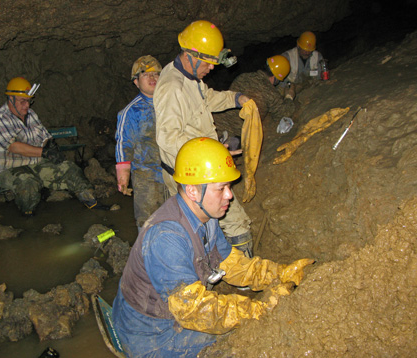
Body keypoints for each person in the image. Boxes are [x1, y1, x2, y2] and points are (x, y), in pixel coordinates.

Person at [112, 137, 314, 358]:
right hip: (151, 334)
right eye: (221, 188)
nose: (229, 195)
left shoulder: (206, 216)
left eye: (228, 186)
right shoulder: (166, 238)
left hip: (174, 314)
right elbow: (195, 311)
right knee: (247, 342)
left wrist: (281, 273)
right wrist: (261, 310)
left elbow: (232, 264)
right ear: (192, 192)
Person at [154, 20, 255, 256]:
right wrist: (211, 154)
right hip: (192, 174)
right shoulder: (172, 87)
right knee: (233, 220)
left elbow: (206, 98)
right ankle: (246, 274)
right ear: (191, 55)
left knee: (203, 225)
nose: (211, 69)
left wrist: (235, 98)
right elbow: (168, 138)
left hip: (201, 167)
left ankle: (217, 265)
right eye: (208, 63)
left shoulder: (189, 76)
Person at [0, 76, 103, 216]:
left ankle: (92, 203)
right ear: (10, 99)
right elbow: (14, 147)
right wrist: (44, 152)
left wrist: (49, 146)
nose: (27, 105)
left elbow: (44, 136)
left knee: (69, 168)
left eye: (29, 101)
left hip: (35, 162)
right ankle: (28, 215)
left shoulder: (30, 115)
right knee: (28, 183)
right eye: (22, 101)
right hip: (10, 167)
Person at [115, 55, 166, 230]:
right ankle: (146, 255)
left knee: (175, 218)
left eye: (156, 74)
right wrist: (123, 174)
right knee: (148, 222)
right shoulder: (130, 111)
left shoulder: (171, 103)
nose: (152, 78)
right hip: (146, 175)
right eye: (145, 74)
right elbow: (124, 142)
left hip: (173, 171)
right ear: (136, 82)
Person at [214, 54, 293, 140]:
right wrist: (289, 96)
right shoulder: (271, 92)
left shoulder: (242, 77)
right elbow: (285, 112)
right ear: (276, 78)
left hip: (216, 124)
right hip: (235, 135)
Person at [280, 31, 324, 100]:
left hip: (308, 88)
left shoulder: (318, 57)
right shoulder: (287, 57)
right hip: (290, 88)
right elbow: (279, 81)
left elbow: (321, 77)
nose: (307, 52)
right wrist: (289, 89)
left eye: (309, 50)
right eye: (304, 49)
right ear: (298, 46)